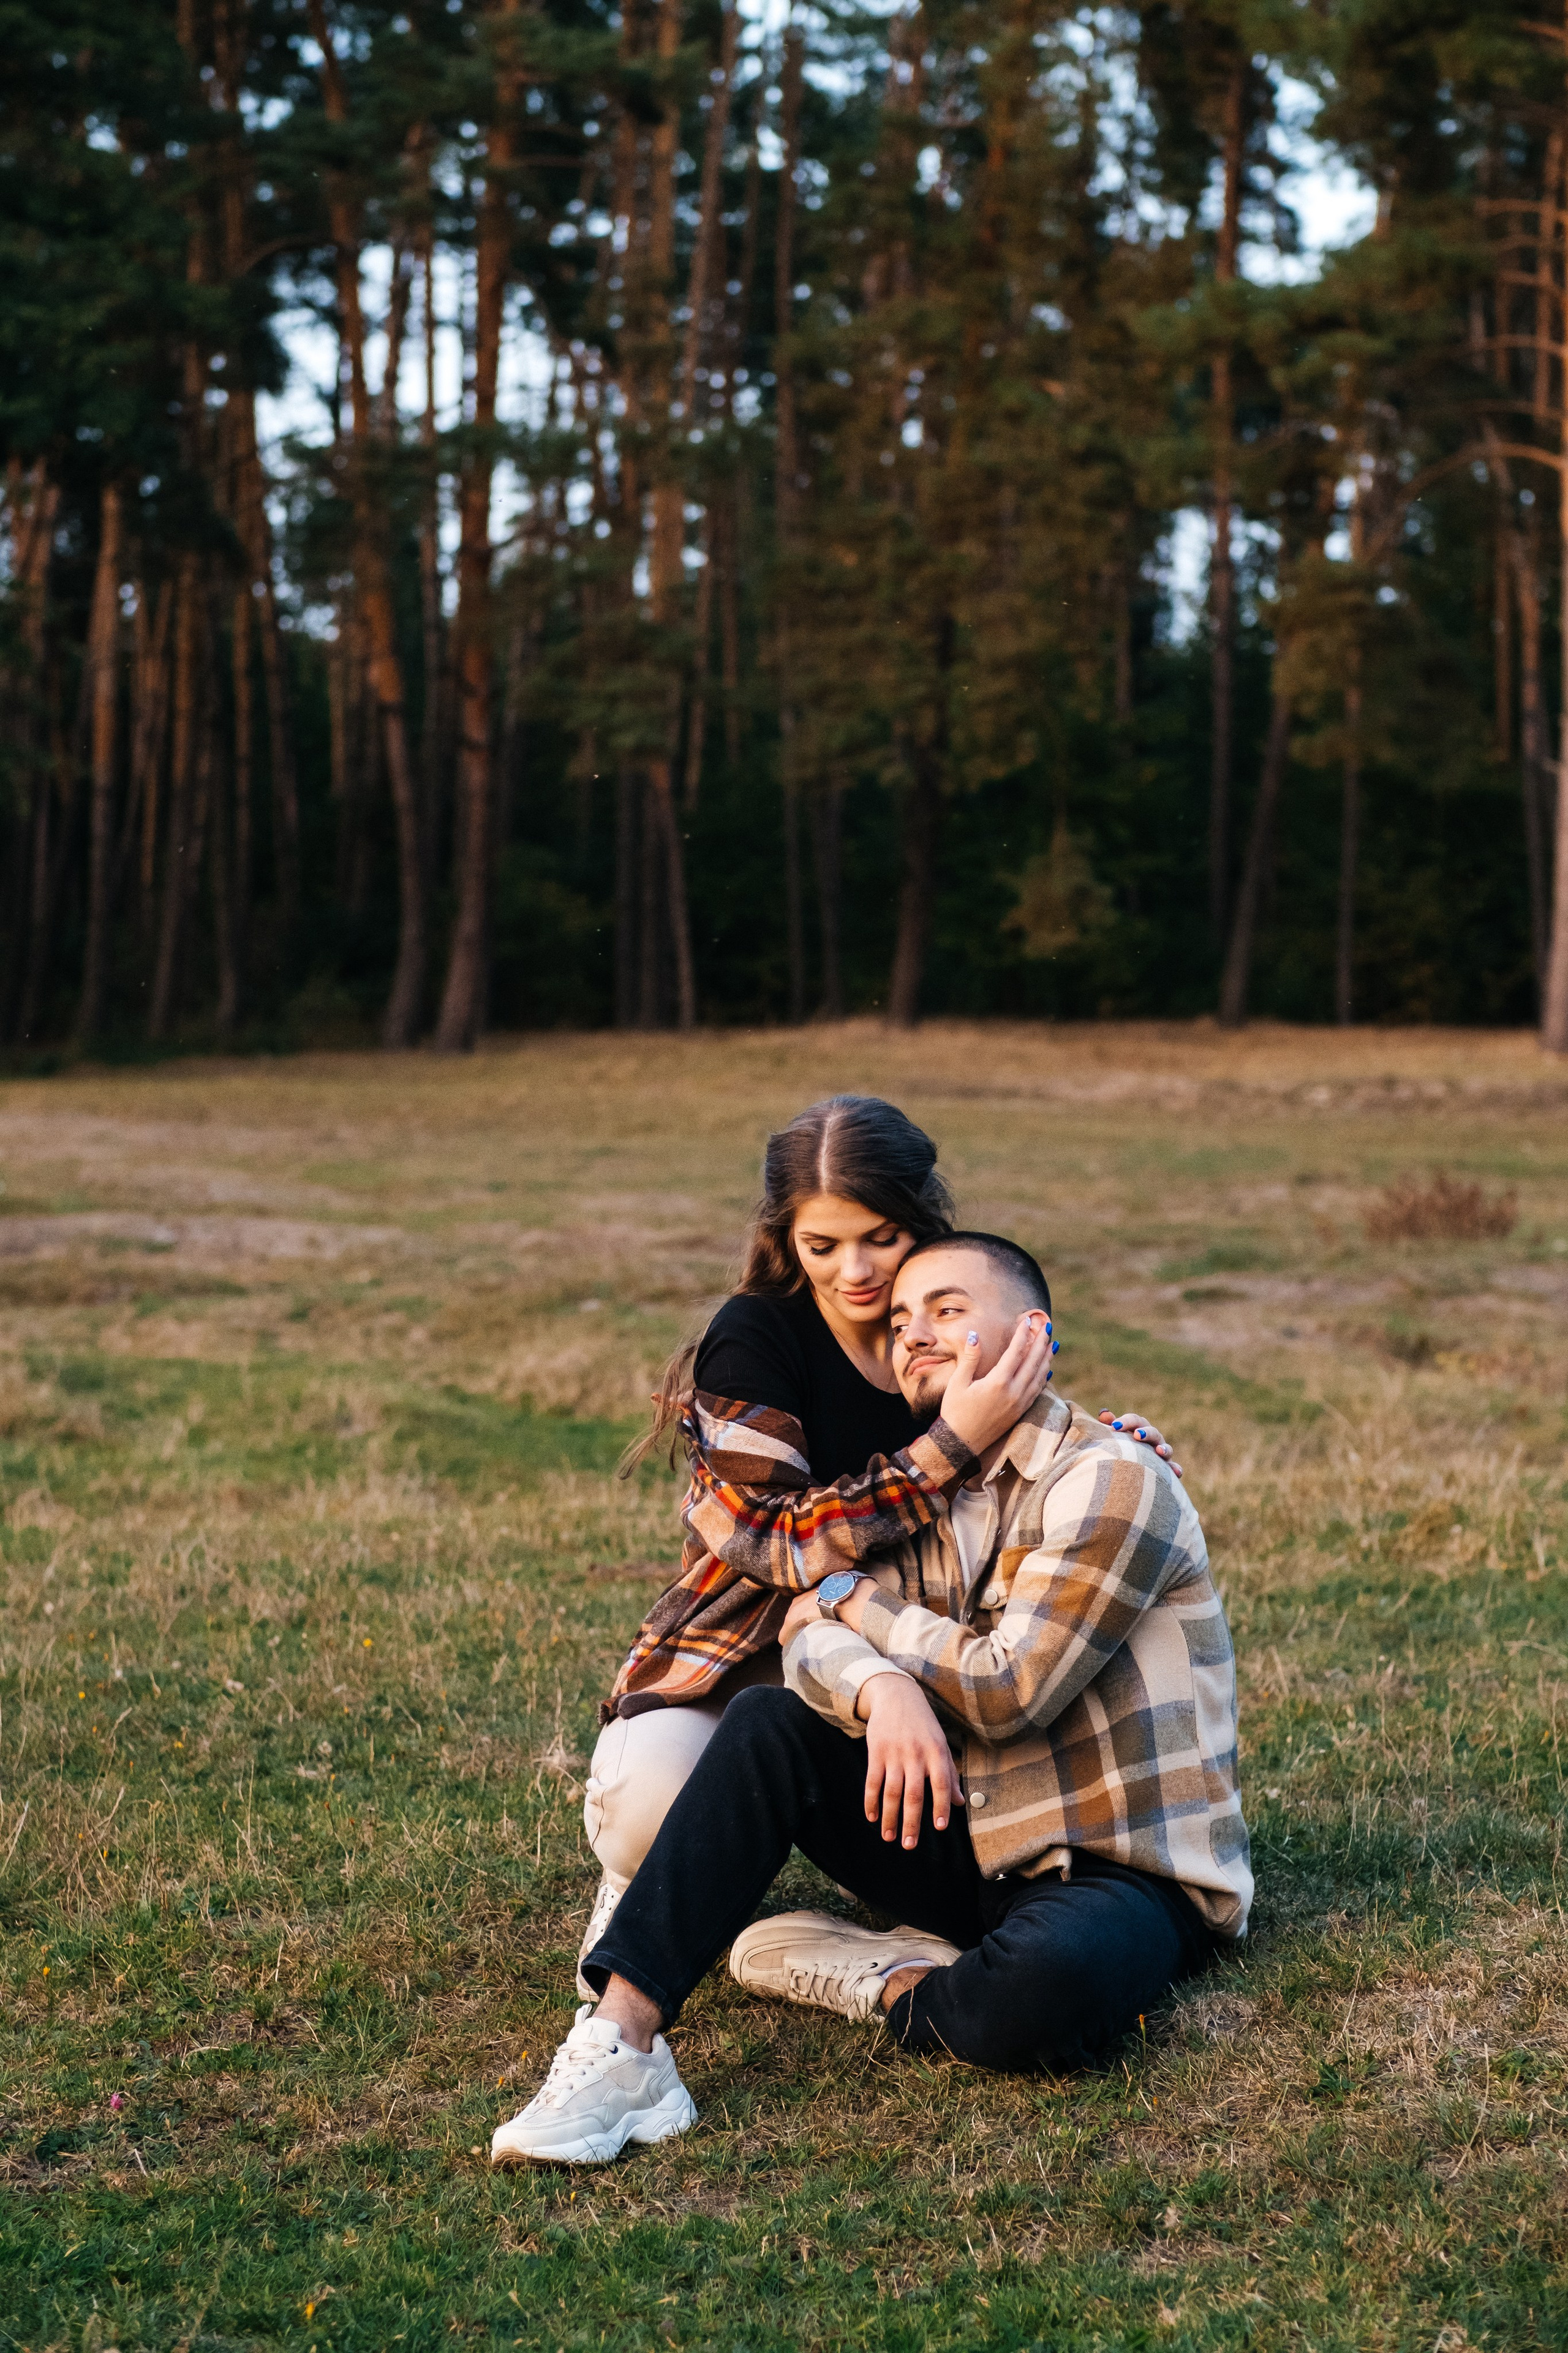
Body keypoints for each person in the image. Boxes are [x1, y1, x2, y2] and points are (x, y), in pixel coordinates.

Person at [492, 1230, 1247, 2167]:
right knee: (771, 1722)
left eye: (947, 1309)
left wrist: (857, 1603)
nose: (914, 1333)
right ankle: (623, 2042)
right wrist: (882, 1683)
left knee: (1043, 1995)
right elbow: (804, 1629)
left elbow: (1007, 1688)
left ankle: (881, 1973)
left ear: (1033, 1336)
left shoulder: (1113, 1478)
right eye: (899, 1320)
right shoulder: (915, 1492)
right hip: (968, 1836)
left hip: (1118, 1867)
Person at [577, 1096, 1178, 1993]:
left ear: (917, 1218)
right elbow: (772, 1542)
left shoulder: (942, 1310)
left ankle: (909, 1923)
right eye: (823, 1246)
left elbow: (1024, 1436)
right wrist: (945, 1452)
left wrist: (1109, 1442)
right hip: (756, 1648)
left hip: (915, 1627)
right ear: (789, 1238)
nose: (854, 1271)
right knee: (651, 1802)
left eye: (879, 1238)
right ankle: (642, 1889)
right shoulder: (757, 1334)